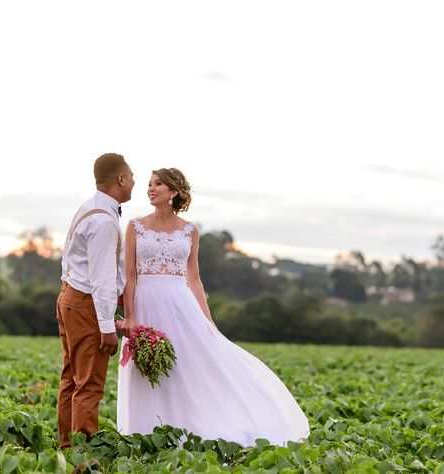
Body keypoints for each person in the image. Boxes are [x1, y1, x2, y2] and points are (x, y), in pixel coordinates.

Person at [117, 168, 309, 447]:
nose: (151, 188)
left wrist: (207, 321)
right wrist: (131, 317)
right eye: (149, 184)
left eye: (158, 184)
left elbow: (193, 278)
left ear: (174, 192)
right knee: (147, 368)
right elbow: (130, 275)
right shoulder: (135, 227)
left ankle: (193, 425)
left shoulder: (190, 231)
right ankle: (147, 432)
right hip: (145, 303)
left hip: (180, 304)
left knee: (189, 365)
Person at [56, 152, 135, 448]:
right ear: (121, 179)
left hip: (69, 296)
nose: (135, 182)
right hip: (86, 303)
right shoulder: (104, 222)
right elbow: (102, 279)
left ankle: (67, 447)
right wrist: (106, 327)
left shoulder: (88, 208)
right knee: (89, 384)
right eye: (132, 176)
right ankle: (84, 459)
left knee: (72, 378)